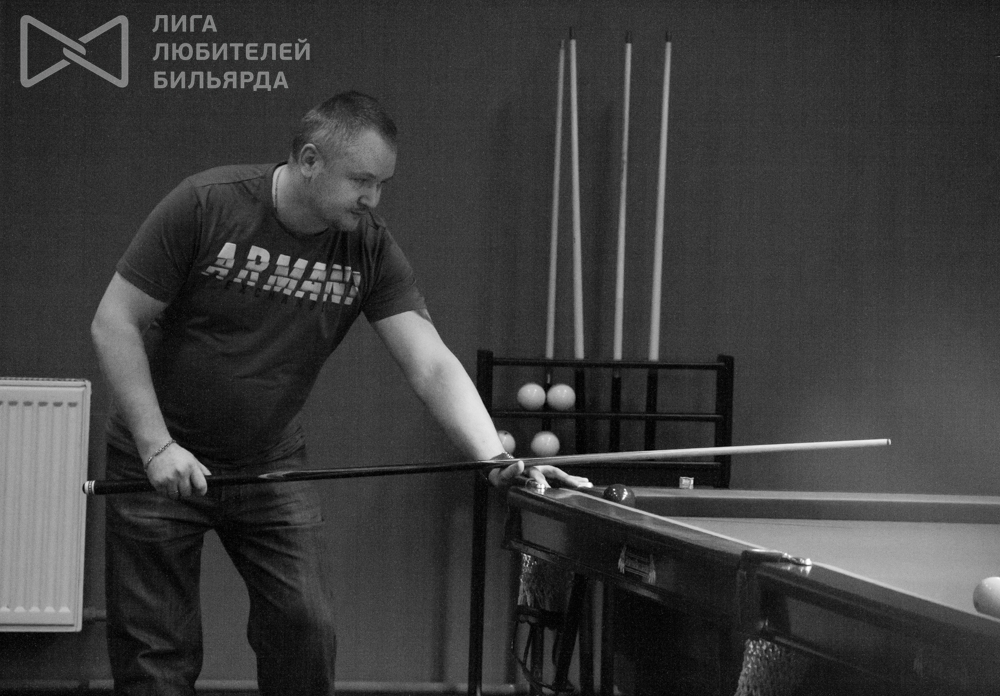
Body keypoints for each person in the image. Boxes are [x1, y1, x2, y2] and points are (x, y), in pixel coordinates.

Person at [91, 91, 591, 696]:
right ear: (309, 161)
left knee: (306, 628)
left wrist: (494, 458)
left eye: (382, 184)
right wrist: (155, 446)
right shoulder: (205, 204)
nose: (373, 199)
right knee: (155, 658)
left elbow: (430, 362)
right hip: (158, 455)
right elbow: (114, 322)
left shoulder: (367, 245)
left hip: (266, 461)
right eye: (361, 181)